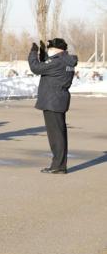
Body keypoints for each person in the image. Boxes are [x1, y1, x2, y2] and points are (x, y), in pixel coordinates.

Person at [28, 38, 77, 174]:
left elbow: (36, 68)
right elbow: (48, 68)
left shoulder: (57, 62)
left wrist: (33, 53)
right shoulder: (66, 61)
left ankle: (58, 166)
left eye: (50, 49)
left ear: (56, 49)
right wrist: (43, 54)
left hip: (52, 101)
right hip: (59, 100)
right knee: (60, 134)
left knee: (56, 136)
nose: (49, 51)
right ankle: (59, 164)